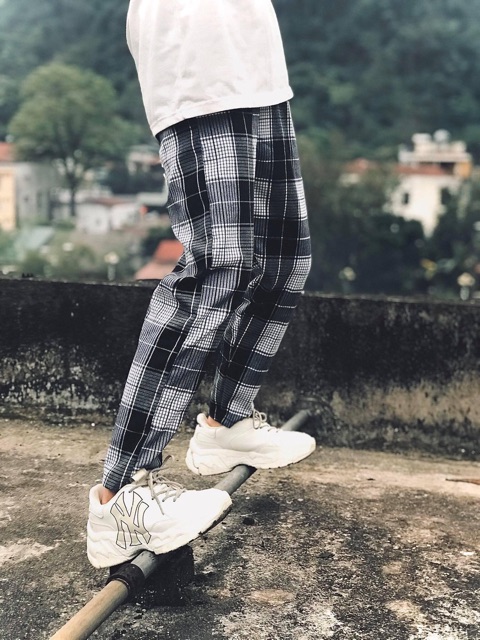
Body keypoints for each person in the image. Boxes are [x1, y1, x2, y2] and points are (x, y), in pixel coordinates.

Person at [87, 0, 315, 569]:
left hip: (260, 70)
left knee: (285, 261)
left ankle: (227, 420)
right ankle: (121, 496)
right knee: (217, 269)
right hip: (197, 62)